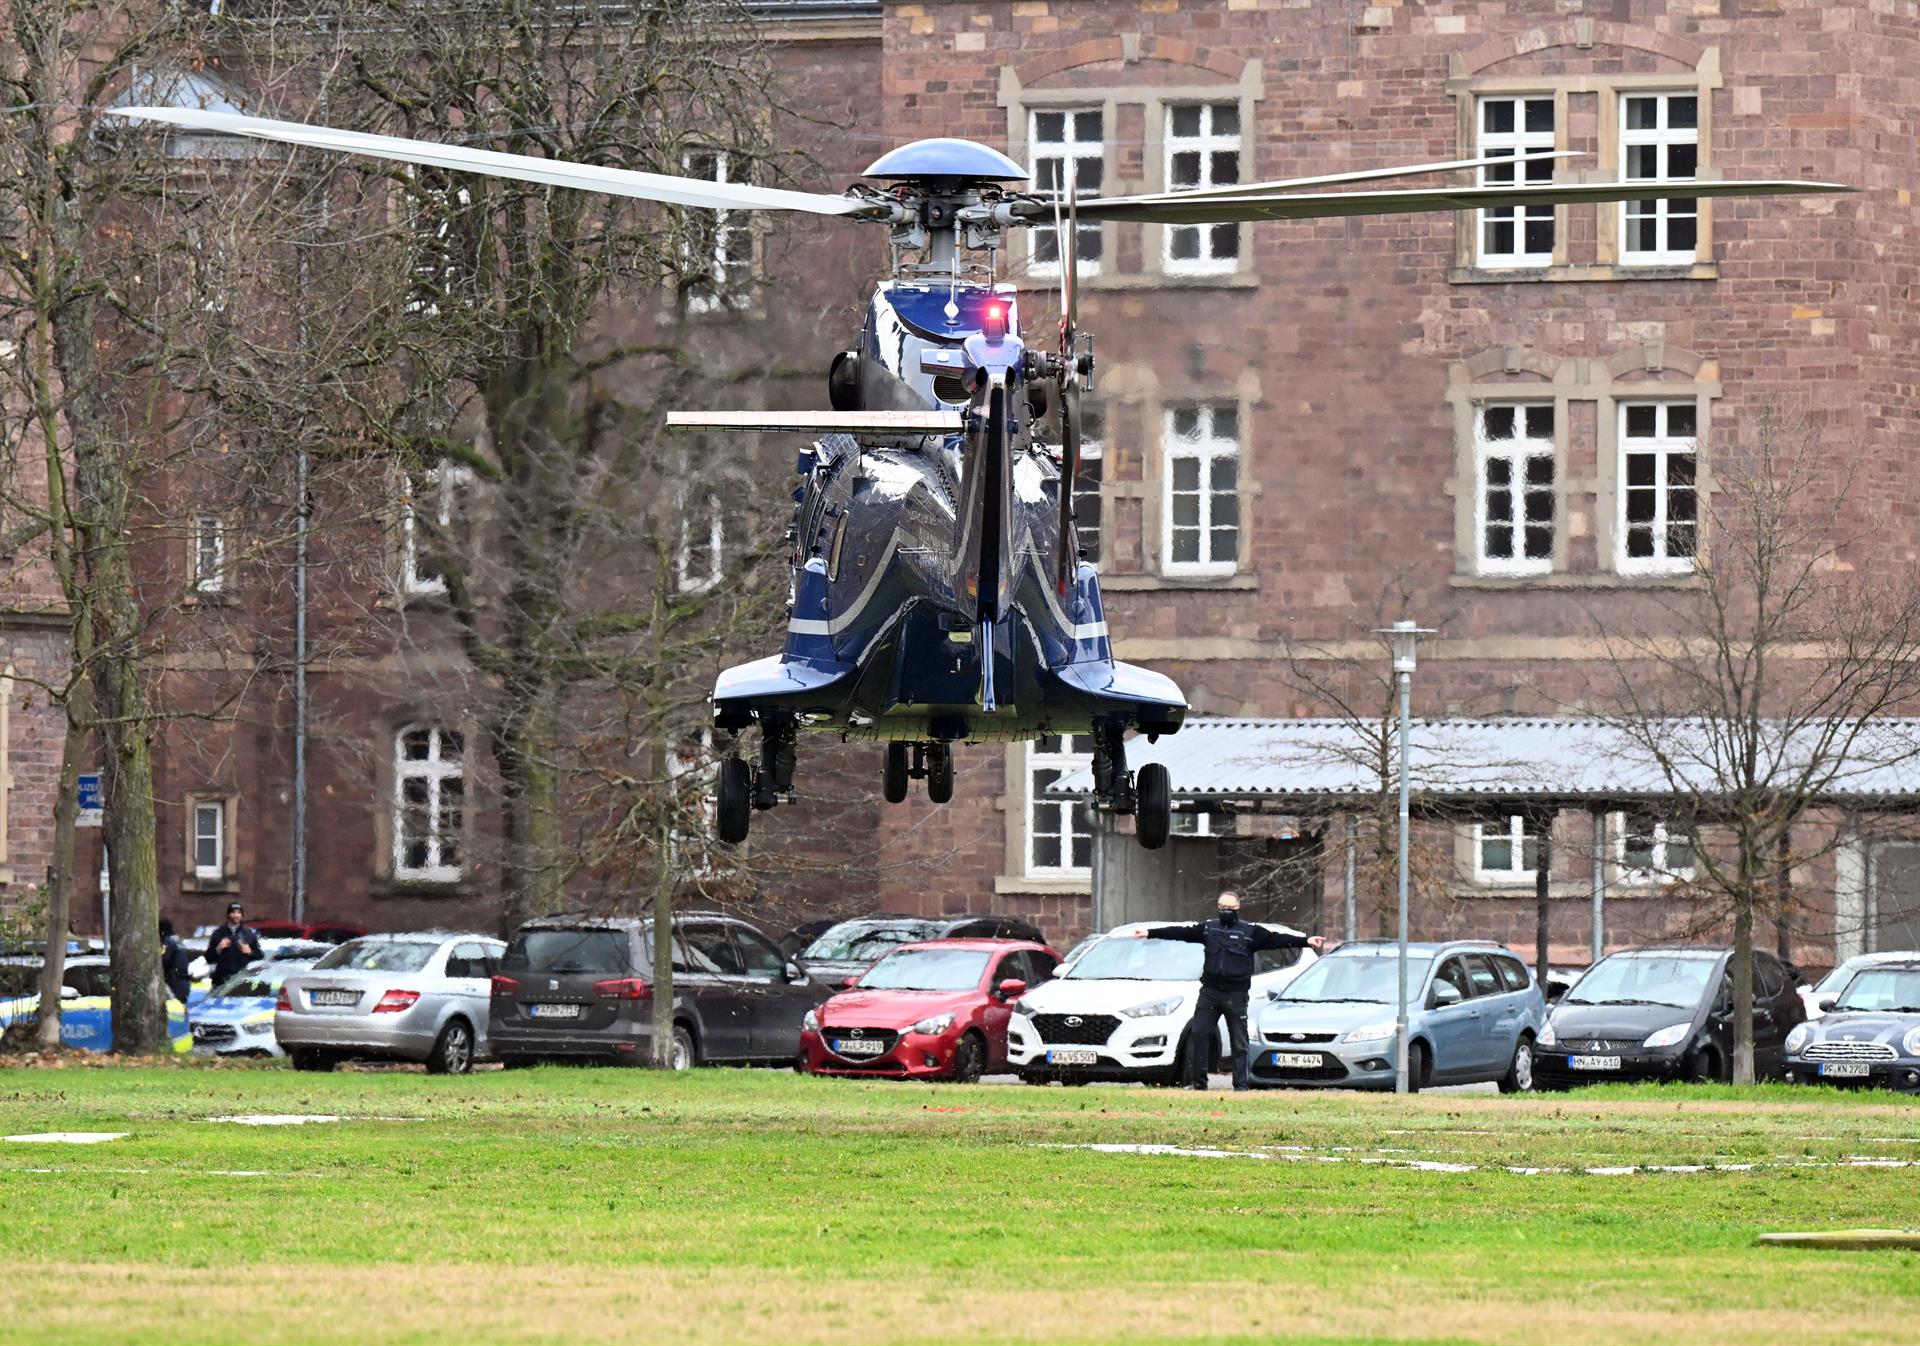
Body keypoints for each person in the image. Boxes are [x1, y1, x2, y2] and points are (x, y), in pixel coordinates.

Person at [1136, 893, 1325, 1091]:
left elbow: (1276, 939)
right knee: (1199, 1034)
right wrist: (1149, 932)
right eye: (1222, 907)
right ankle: (1198, 1083)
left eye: (1230, 908)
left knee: (1239, 1040)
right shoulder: (1209, 929)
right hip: (1210, 992)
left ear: (1237, 909)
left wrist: (1306, 941)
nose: (1225, 911)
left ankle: (1240, 1085)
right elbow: (1179, 932)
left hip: (1236, 994)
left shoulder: (1250, 931)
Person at [205, 902, 262, 985]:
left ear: (242, 915)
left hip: (242, 981)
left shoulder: (248, 934)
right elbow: (208, 958)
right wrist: (218, 948)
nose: (236, 915)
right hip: (222, 981)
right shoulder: (218, 933)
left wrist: (250, 952)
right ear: (228, 915)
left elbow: (260, 956)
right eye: (233, 912)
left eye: (239, 913)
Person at [159, 918, 194, 1007]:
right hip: (183, 981)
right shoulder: (177, 940)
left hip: (174, 981)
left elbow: (164, 959)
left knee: (175, 1013)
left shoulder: (167, 942)